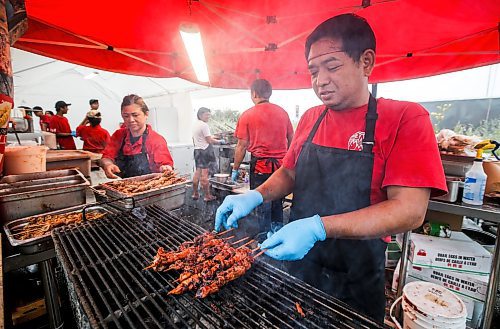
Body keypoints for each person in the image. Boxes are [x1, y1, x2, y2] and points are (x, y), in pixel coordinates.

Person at [215, 14, 447, 322]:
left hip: (356, 274)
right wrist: (255, 195)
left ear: (366, 62)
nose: (320, 80)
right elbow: (289, 173)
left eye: (332, 66)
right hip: (300, 264)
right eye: (313, 70)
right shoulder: (311, 118)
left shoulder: (406, 118)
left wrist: (318, 227)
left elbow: (409, 211)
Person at [231, 78, 294, 234]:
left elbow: (241, 146)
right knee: (277, 199)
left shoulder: (247, 115)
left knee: (262, 200)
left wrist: (235, 169)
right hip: (281, 167)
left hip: (260, 167)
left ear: (253, 93)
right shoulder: (283, 113)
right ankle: (278, 231)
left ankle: (264, 237)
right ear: (269, 93)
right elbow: (292, 140)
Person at [101, 94, 174, 178]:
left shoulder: (156, 140)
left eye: (135, 115)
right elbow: (106, 157)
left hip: (149, 187)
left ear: (146, 114)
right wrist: (108, 164)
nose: (131, 120)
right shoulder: (119, 135)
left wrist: (165, 168)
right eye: (126, 116)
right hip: (123, 186)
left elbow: (165, 164)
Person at [192, 107, 225, 201]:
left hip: (197, 150)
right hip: (205, 151)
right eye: (206, 115)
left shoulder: (195, 124)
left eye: (209, 115)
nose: (208, 117)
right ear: (200, 115)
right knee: (204, 174)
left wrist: (213, 137)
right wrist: (220, 142)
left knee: (197, 173)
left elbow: (200, 137)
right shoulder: (204, 125)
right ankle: (207, 196)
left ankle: (195, 193)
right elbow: (209, 140)